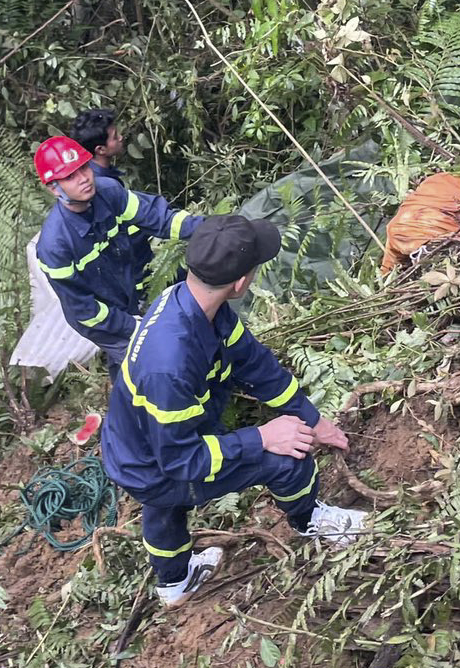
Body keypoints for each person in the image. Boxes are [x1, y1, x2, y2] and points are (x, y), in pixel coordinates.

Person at [100, 214, 368, 607]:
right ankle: (310, 520)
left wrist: (313, 418)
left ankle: (173, 583)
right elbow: (182, 461)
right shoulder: (169, 363)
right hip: (160, 463)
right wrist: (262, 437)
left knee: (164, 507)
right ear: (240, 282)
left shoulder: (194, 303)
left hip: (134, 448)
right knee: (286, 457)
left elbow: (255, 364)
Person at [33, 136, 203, 378]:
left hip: (129, 290)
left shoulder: (109, 192)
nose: (83, 178)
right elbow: (83, 309)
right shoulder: (55, 246)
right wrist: (131, 326)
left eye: (83, 168)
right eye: (70, 176)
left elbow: (160, 219)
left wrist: (210, 228)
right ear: (53, 189)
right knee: (145, 362)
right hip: (100, 319)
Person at [69, 108, 126, 186]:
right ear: (100, 150)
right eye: (115, 137)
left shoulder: (97, 173)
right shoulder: (103, 185)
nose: (121, 137)